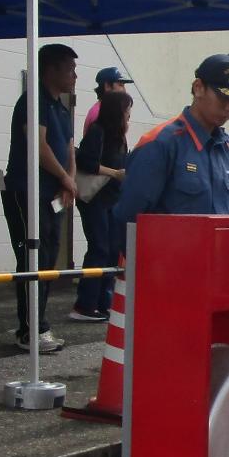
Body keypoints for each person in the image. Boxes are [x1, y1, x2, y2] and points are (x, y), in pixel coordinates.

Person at [113, 53, 229, 229]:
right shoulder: (160, 144)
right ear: (198, 88)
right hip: (166, 255)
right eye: (223, 97)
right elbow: (127, 221)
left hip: (211, 255)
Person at [3, 43, 78, 354]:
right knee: (32, 259)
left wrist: (69, 180)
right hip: (27, 191)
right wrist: (64, 178)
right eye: (69, 69)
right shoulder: (33, 101)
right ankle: (30, 329)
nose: (75, 76)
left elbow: (70, 147)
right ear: (51, 69)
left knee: (47, 259)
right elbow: (39, 145)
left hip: (53, 195)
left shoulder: (60, 106)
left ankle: (39, 324)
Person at [68, 89, 132, 322]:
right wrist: (115, 173)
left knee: (113, 249)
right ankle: (85, 305)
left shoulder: (120, 137)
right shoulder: (98, 132)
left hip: (112, 199)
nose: (128, 116)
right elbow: (86, 161)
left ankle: (104, 303)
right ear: (117, 112)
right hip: (94, 199)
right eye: (126, 111)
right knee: (99, 247)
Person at [82, 66, 132, 132]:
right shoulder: (100, 113)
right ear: (107, 86)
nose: (124, 90)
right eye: (120, 85)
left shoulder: (105, 110)